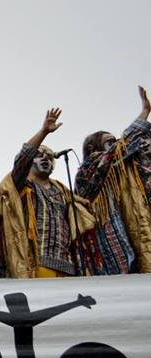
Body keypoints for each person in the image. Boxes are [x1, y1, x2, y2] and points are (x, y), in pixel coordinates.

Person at [0, 109, 98, 278]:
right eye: (39, 155)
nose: (45, 159)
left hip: (68, 268)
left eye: (49, 157)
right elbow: (22, 159)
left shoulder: (62, 191)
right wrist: (44, 132)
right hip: (35, 265)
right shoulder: (21, 185)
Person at [74, 85, 151, 274]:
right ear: (92, 147)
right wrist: (144, 113)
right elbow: (120, 149)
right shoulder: (90, 166)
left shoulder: (123, 169)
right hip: (108, 235)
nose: (117, 144)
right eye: (110, 141)